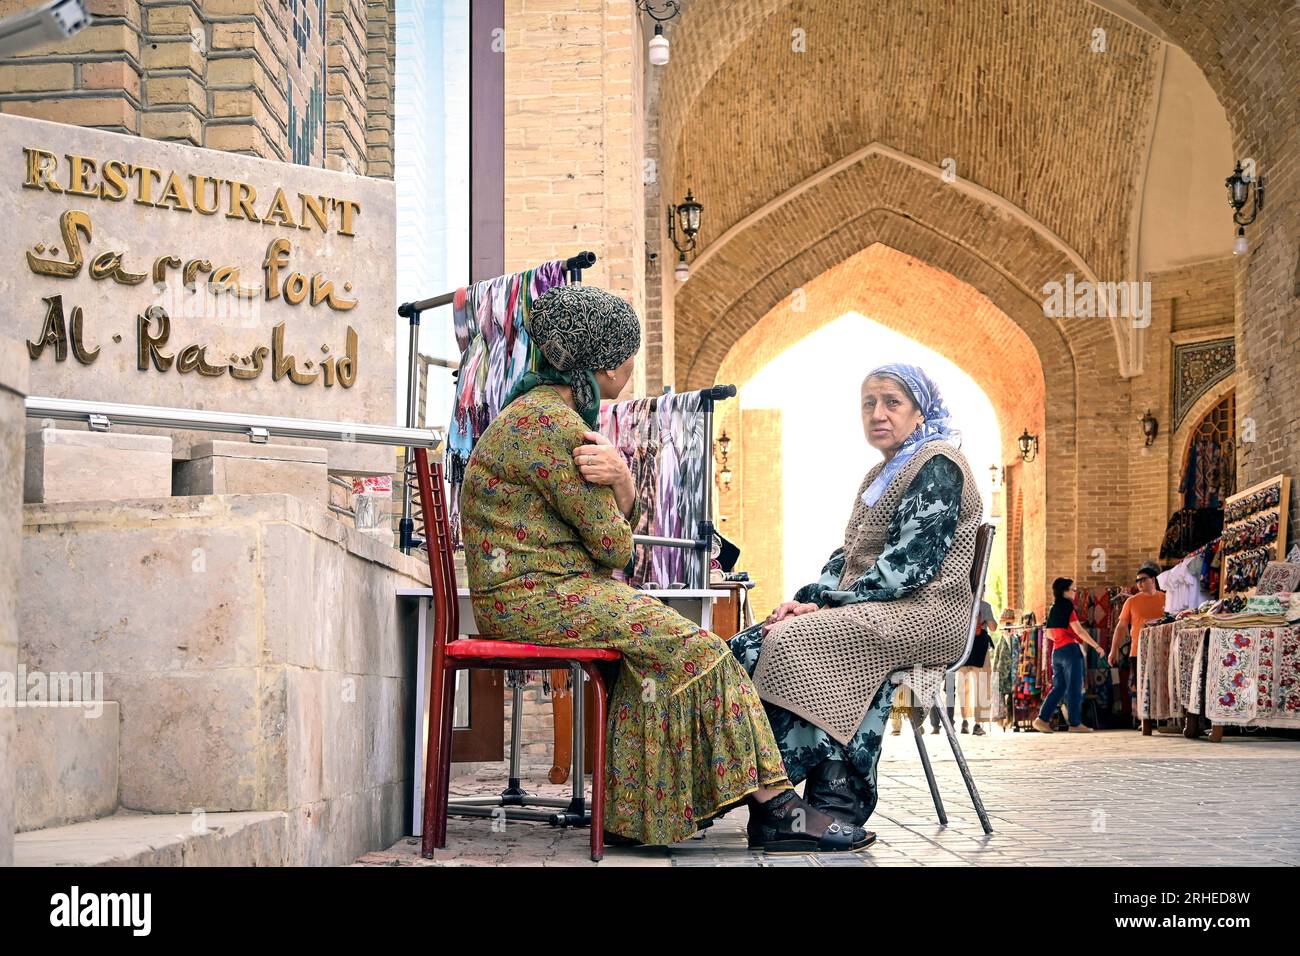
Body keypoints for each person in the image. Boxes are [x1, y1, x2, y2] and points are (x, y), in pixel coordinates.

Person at [460, 284, 870, 852]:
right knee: (701, 651)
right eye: (625, 355)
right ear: (599, 362)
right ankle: (777, 807)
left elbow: (605, 541)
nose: (631, 368)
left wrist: (620, 484)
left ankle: (634, 818)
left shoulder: (532, 416)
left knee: (652, 660)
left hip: (532, 595)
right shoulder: (558, 430)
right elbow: (614, 548)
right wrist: (625, 480)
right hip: (539, 599)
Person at [729, 363, 981, 828]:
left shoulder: (938, 464)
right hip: (880, 608)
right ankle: (798, 790)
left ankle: (805, 794)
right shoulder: (879, 474)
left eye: (892, 402)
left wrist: (824, 608)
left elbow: (909, 566)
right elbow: (847, 557)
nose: (877, 414)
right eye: (868, 403)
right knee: (755, 641)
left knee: (793, 642)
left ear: (920, 412)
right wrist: (810, 598)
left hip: (928, 612)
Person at [1033, 578, 1105, 733]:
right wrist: (1097, 646)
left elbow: (1049, 633)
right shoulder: (1068, 608)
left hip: (1056, 652)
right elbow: (1079, 631)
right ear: (1065, 591)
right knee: (1074, 687)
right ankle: (1075, 723)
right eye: (1073, 590)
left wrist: (1061, 638)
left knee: (1059, 687)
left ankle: (1042, 719)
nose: (1075, 592)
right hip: (1071, 651)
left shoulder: (1053, 608)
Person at [1108, 562, 1167, 734]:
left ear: (1153, 580)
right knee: (1140, 685)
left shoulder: (1165, 598)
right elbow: (1121, 627)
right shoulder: (1131, 602)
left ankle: (1164, 717)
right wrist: (1113, 650)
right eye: (1137, 580)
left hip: (1162, 648)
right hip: (1137, 650)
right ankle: (1145, 719)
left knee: (1163, 682)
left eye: (1143, 579)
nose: (1139, 583)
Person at [958, 601, 998, 735]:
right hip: (971, 648)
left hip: (971, 648)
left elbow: (992, 628)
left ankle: (971, 722)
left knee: (972, 686)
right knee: (972, 686)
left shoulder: (981, 605)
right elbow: (993, 628)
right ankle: (971, 722)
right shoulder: (980, 605)